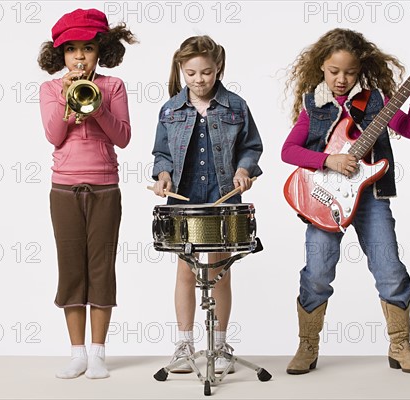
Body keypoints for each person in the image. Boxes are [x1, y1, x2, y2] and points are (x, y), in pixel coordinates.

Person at [281, 28, 410, 374]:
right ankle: (307, 345)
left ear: (359, 70)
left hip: (372, 198)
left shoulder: (377, 101)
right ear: (322, 66)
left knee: (389, 268)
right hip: (325, 201)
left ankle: (400, 344)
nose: (341, 78)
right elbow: (288, 151)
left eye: (349, 72)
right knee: (318, 272)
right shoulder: (314, 104)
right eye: (334, 71)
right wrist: (328, 160)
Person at [151, 35, 263, 374]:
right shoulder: (170, 109)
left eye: (206, 73)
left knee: (219, 272)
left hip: (222, 196)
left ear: (219, 70)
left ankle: (219, 343)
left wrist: (244, 170)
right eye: (191, 73)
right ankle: (185, 343)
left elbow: (251, 146)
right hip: (184, 199)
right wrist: (163, 175)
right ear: (181, 71)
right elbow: (161, 153)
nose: (199, 80)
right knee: (186, 269)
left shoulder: (237, 106)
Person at [37, 8, 136, 379]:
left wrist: (95, 110)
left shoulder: (113, 87)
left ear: (101, 51)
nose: (79, 57)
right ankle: (76, 352)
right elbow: (53, 135)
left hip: (105, 186)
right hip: (64, 187)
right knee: (71, 269)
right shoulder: (50, 88)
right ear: (60, 55)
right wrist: (67, 104)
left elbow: (123, 137)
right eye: (71, 50)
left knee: (100, 268)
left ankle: (98, 352)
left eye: (88, 48)